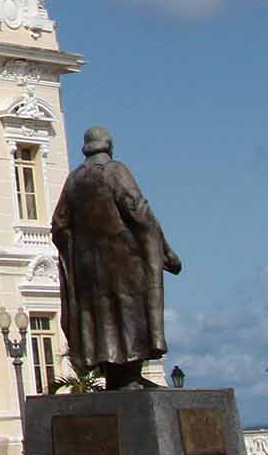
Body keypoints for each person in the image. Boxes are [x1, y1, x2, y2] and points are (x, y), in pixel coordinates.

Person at [51, 126, 181, 389]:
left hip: (88, 268)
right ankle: (129, 375)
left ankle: (116, 376)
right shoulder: (115, 171)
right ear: (108, 146)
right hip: (123, 261)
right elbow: (139, 211)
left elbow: (58, 224)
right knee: (128, 313)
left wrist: (77, 254)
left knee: (100, 317)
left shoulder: (74, 180)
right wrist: (164, 250)